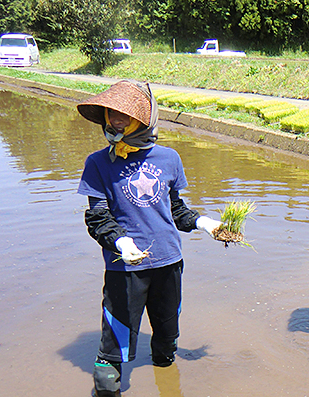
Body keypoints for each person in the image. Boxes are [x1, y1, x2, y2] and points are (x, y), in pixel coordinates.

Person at [76, 80, 223, 396]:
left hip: (168, 262)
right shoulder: (97, 163)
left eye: (122, 115)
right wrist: (121, 242)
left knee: (167, 341)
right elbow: (97, 217)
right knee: (112, 347)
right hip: (124, 269)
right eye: (109, 113)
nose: (113, 120)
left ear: (143, 119)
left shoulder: (169, 158)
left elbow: (175, 210)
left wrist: (204, 223)